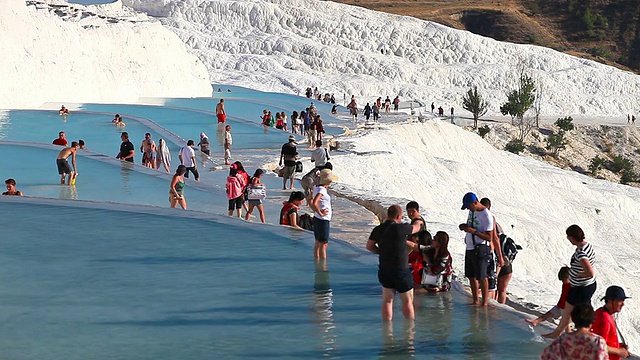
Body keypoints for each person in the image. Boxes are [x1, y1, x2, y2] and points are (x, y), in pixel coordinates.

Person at [366, 205, 423, 321]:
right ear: (398, 216)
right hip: (401, 269)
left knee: (387, 300)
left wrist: (381, 252)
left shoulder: (379, 229)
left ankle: (387, 331)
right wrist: (419, 220)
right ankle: (409, 332)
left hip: (385, 268)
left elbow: (369, 246)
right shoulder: (400, 228)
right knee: (407, 301)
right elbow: (416, 228)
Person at [544, 224, 597, 339]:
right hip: (579, 286)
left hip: (583, 287)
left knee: (585, 312)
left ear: (572, 238)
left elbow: (590, 272)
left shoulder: (581, 253)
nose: (568, 240)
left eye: (568, 237)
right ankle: (557, 333)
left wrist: (577, 275)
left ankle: (589, 336)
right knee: (567, 308)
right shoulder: (587, 246)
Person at [459, 192, 503, 307]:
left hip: (481, 248)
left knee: (482, 276)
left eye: (469, 206)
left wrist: (473, 231)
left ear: (475, 202)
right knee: (471, 275)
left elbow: (490, 237)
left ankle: (484, 302)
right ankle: (475, 300)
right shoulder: (472, 211)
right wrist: (465, 227)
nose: (468, 208)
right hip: (470, 246)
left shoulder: (486, 215)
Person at [540, 304, 609, 360]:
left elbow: (545, 356)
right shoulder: (598, 341)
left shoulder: (562, 340)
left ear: (573, 319)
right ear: (592, 321)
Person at [591, 286, 632, 360]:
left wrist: (617, 345)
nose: (623, 304)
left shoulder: (601, 312)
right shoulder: (604, 319)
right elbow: (599, 346)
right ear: (610, 301)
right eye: (620, 300)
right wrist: (619, 351)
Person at [480, 197, 506, 303]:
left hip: (488, 254)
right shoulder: (493, 220)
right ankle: (492, 307)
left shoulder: (485, 218)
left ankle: (487, 305)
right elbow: (499, 237)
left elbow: (494, 238)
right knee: (494, 285)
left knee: (487, 283)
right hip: (493, 254)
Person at [311, 169, 337, 259]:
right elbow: (314, 202)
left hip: (317, 218)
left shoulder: (316, 188)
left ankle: (317, 263)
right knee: (323, 244)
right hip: (323, 219)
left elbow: (309, 199)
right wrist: (321, 213)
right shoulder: (322, 190)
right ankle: (323, 266)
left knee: (318, 242)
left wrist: (315, 211)